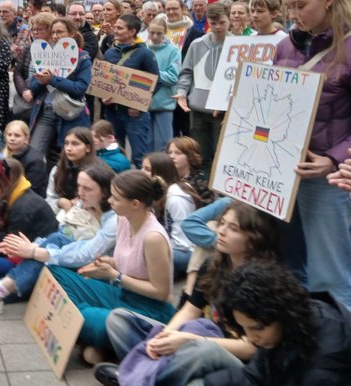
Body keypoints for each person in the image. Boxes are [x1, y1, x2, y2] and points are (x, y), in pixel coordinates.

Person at [96, 202, 281, 386]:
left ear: (253, 238)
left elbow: (251, 349)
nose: (221, 231)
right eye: (221, 223)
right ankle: (148, 375)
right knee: (118, 319)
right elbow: (190, 310)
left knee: (203, 353)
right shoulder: (212, 265)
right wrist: (165, 337)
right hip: (198, 337)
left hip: (230, 357)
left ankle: (136, 377)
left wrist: (187, 341)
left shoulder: (263, 281)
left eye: (233, 228)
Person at [0, 163, 118, 314]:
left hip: (75, 268)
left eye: (87, 189)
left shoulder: (111, 220)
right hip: (39, 254)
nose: (80, 193)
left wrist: (35, 250)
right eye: (79, 187)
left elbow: (84, 253)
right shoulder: (84, 206)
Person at [274, 0, 351, 308]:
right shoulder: (283, 46)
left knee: (330, 277)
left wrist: (334, 158)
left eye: (300, 5)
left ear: (328, 0)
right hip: (282, 174)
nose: (292, 15)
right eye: (287, 7)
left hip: (327, 178)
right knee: (288, 267)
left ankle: (336, 351)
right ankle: (301, 342)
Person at [48, 170, 176, 364]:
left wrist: (115, 275)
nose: (110, 201)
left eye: (116, 198)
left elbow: (161, 292)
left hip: (149, 309)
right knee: (54, 272)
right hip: (121, 294)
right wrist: (108, 263)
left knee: (83, 316)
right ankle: (97, 337)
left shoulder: (153, 237)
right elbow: (132, 263)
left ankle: (94, 334)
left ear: (135, 204)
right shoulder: (123, 219)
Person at [203, 262, 351, 385]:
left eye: (257, 328)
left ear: (282, 314)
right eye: (244, 328)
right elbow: (255, 376)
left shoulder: (324, 363)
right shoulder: (282, 330)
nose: (252, 338)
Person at [175, 2, 231, 170]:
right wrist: (182, 92)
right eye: (213, 23)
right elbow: (186, 72)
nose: (218, 27)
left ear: (229, 20)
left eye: (222, 22)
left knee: (221, 153)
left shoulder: (238, 45)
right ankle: (200, 187)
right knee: (200, 152)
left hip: (223, 110)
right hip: (198, 106)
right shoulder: (197, 44)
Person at [103, 15, 161, 169]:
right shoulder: (109, 53)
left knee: (139, 157)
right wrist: (103, 96)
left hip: (135, 114)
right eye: (115, 27)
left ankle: (141, 187)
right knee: (114, 153)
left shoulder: (145, 54)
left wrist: (137, 104)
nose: (115, 30)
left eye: (120, 28)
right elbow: (104, 81)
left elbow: (156, 82)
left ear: (132, 31)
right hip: (112, 112)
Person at [29, 17, 93, 156]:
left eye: (60, 32)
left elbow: (79, 88)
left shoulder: (82, 58)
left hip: (69, 113)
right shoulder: (46, 55)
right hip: (45, 111)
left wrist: (52, 79)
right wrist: (41, 81)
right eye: (53, 32)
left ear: (71, 34)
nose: (55, 36)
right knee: (34, 154)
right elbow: (32, 87)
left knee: (70, 157)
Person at [142, 152, 199, 274]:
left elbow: (182, 243)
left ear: (159, 173)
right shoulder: (157, 192)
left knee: (142, 257)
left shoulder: (176, 199)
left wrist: (152, 248)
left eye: (147, 169)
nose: (141, 172)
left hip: (186, 252)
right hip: (168, 245)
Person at [46, 127, 99, 216]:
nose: (69, 148)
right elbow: (49, 199)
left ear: (88, 148)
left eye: (75, 144)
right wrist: (60, 202)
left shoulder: (97, 172)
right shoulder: (57, 170)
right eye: (66, 143)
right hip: (62, 214)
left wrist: (80, 203)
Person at [146, 16, 181, 153]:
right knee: (147, 143)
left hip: (164, 103)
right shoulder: (144, 49)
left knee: (163, 144)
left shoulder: (173, 51)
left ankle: (163, 172)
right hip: (145, 104)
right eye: (152, 32)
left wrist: (150, 74)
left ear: (165, 33)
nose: (155, 36)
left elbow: (173, 77)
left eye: (159, 33)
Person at [13, 12, 55, 123]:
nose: (35, 33)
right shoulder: (29, 48)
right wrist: (24, 91)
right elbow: (18, 72)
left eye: (40, 30)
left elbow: (49, 78)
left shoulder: (55, 50)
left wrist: (32, 91)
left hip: (47, 101)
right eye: (33, 30)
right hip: (28, 100)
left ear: (50, 30)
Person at [1, 120, 47, 197]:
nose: (12, 138)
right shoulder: (4, 153)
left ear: (26, 139)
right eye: (9, 135)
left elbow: (32, 190)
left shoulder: (36, 160)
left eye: (17, 135)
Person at [167, 136, 216, 205]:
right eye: (169, 152)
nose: (172, 156)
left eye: (178, 153)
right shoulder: (165, 175)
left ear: (190, 156)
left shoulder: (201, 180)